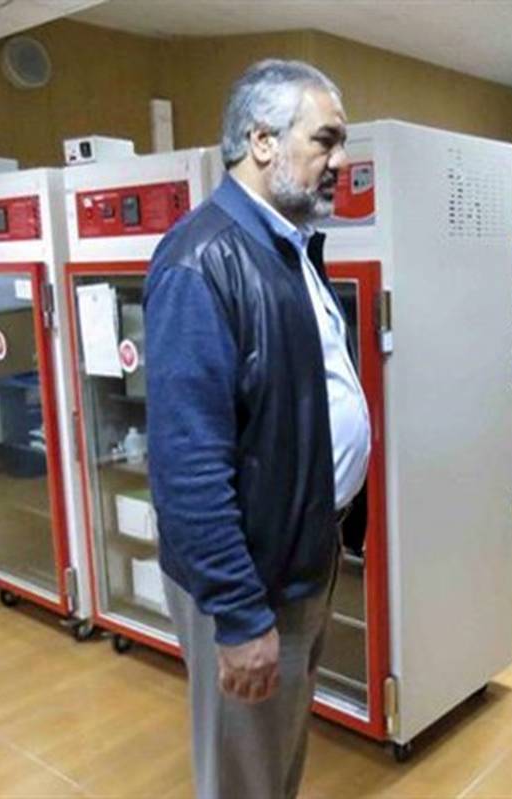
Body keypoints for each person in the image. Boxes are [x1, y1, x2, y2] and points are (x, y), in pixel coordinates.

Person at [144, 59, 369, 799]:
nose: (341, 160)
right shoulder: (201, 261)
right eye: (326, 139)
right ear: (262, 141)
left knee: (275, 759)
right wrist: (240, 616)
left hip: (301, 549)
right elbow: (188, 465)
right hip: (252, 576)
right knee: (244, 776)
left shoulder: (289, 247)